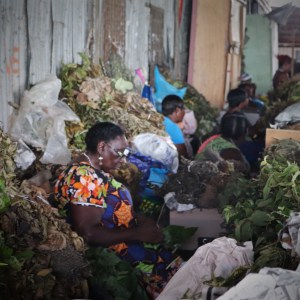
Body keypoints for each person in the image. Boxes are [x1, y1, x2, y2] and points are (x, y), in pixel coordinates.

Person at [54, 122, 181, 297]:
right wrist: (137, 233)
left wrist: (136, 217)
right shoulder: (85, 177)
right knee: (179, 283)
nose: (123, 160)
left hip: (126, 243)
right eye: (119, 153)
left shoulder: (91, 170)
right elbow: (88, 232)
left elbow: (106, 209)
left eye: (125, 154)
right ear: (102, 147)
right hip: (118, 257)